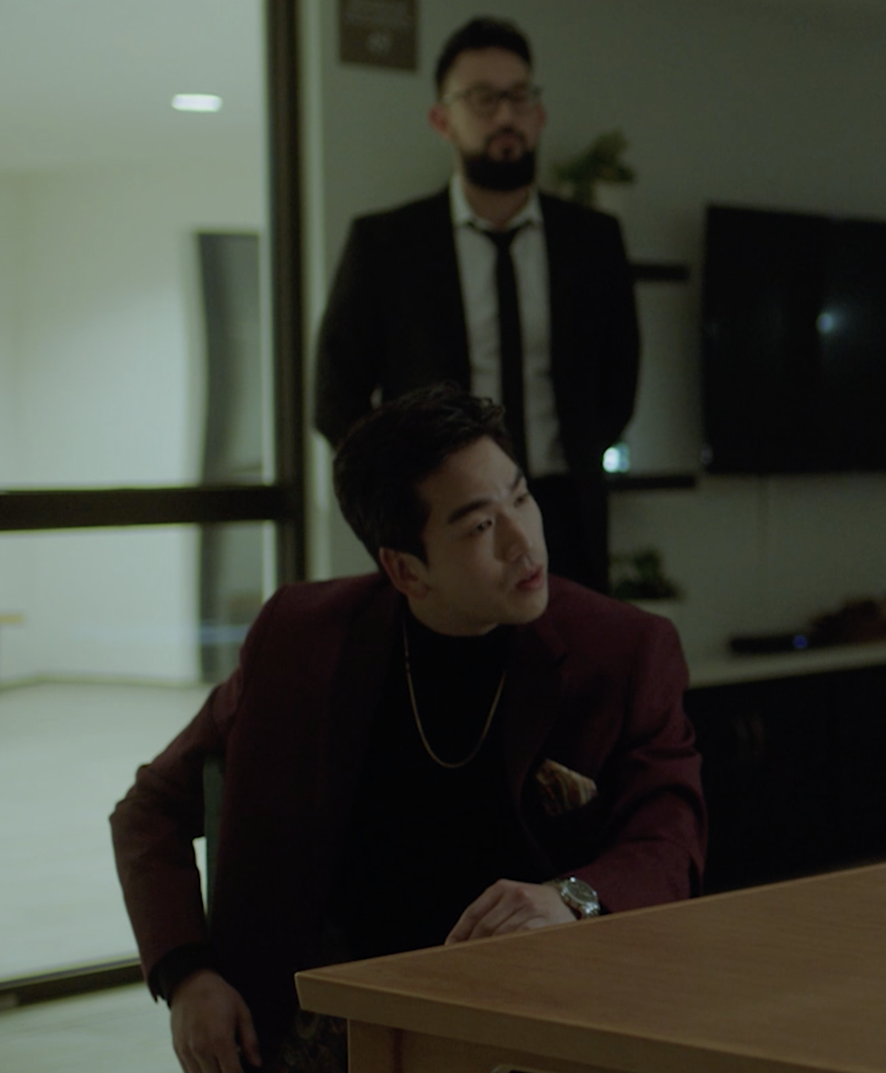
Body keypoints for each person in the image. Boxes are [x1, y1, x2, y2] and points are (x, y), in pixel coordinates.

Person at [112, 385, 703, 1073]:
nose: (523, 541)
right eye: (481, 526)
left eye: (520, 497)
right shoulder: (301, 639)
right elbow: (149, 808)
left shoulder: (623, 650)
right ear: (404, 568)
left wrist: (569, 898)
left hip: (531, 1018)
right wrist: (188, 975)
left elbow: (671, 834)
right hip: (326, 1021)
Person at [313, 16, 638, 594]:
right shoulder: (386, 244)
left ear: (538, 115)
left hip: (566, 510)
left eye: (518, 97)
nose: (505, 116)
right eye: (483, 99)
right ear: (443, 119)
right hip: (445, 520)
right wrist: (408, 490)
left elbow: (619, 377)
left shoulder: (593, 240)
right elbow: (334, 396)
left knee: (578, 673)